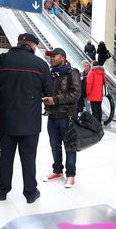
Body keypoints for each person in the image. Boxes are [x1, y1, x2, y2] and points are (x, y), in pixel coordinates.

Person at [0, 33, 53, 203]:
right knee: (28, 157)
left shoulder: (2, 60)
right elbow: (49, 90)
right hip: (30, 120)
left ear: (18, 43)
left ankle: (2, 191)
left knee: (6, 156)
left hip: (6, 118)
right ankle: (30, 193)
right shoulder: (40, 64)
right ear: (33, 46)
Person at [43, 48, 81, 188]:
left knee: (69, 147)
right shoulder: (50, 74)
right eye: (50, 56)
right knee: (54, 146)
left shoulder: (72, 73)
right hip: (52, 116)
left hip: (67, 117)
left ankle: (71, 174)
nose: (51, 58)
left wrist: (56, 100)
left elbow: (76, 94)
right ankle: (57, 170)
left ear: (63, 57)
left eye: (54, 56)